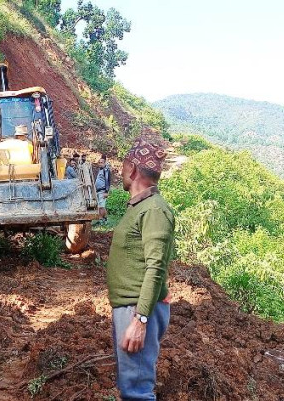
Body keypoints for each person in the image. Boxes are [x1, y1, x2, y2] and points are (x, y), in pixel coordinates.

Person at [107, 138, 174, 400]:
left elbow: (156, 267)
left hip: (139, 309)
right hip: (131, 307)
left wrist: (140, 320)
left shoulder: (154, 210)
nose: (121, 172)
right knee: (130, 385)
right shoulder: (141, 207)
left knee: (137, 390)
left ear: (132, 169)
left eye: (123, 167)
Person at [95, 155, 111, 223]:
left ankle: (101, 220)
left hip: (103, 191)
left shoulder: (105, 170)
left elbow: (107, 180)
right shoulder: (100, 170)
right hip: (98, 191)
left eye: (101, 162)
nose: (100, 164)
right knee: (100, 206)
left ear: (104, 163)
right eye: (99, 162)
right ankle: (105, 219)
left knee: (101, 206)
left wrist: (106, 191)